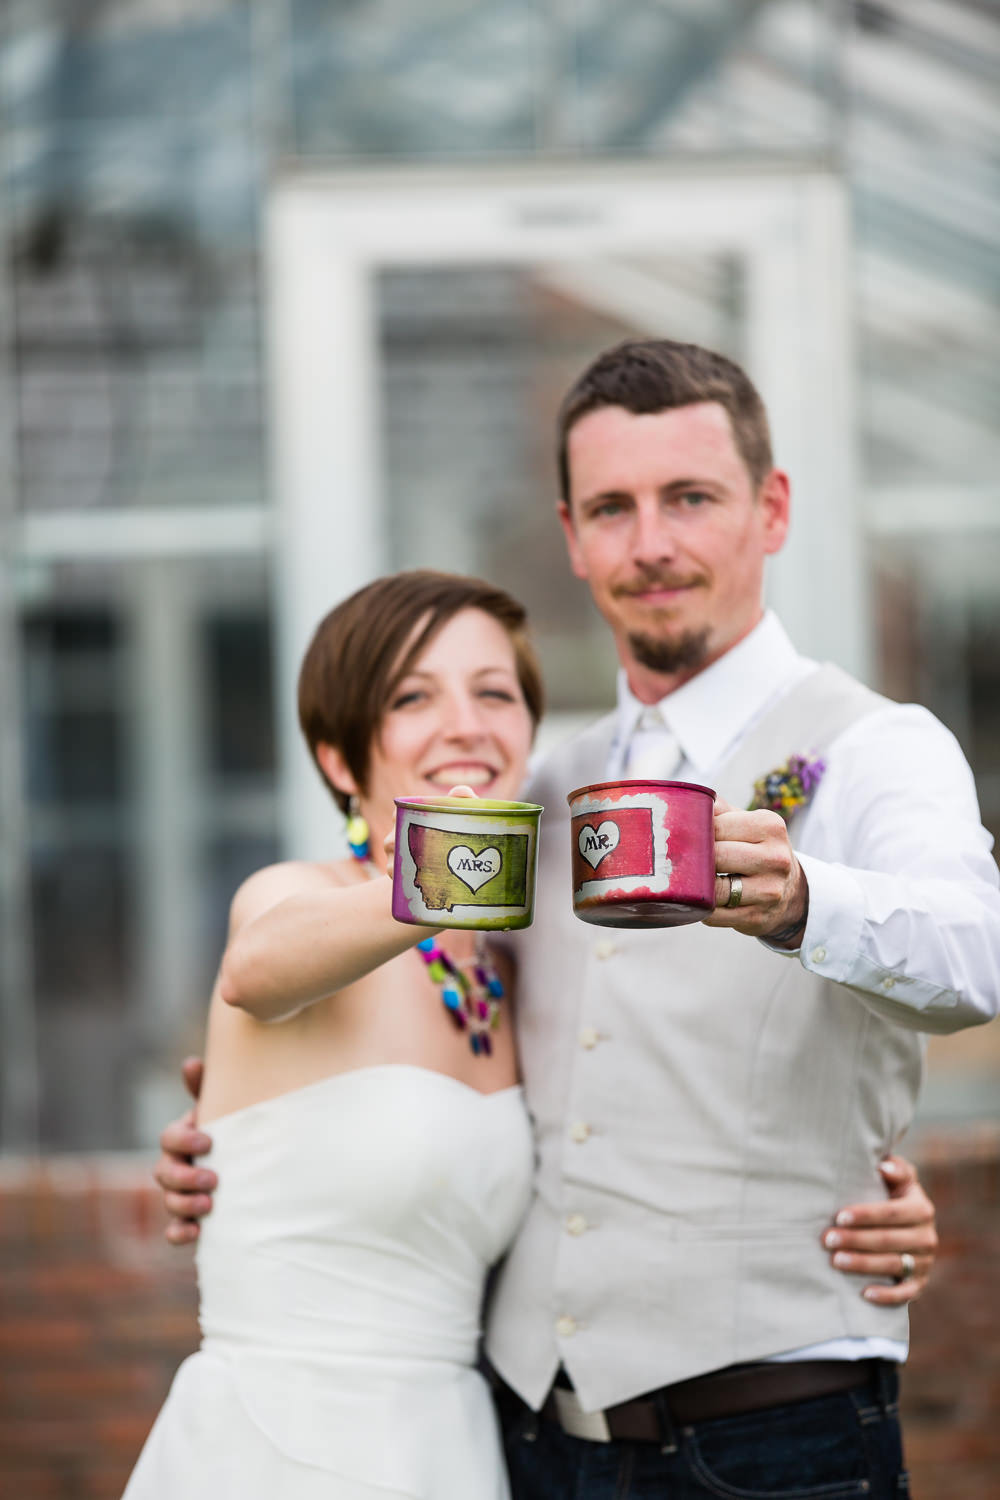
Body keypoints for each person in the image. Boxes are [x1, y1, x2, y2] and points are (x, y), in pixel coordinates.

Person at [156, 339, 989, 1498]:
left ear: (773, 508)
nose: (649, 544)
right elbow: (369, 1018)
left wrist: (804, 899)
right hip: (524, 1441)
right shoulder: (538, 792)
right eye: (612, 508)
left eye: (689, 498)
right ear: (572, 537)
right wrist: (244, 1139)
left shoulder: (874, 747)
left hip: (774, 1437)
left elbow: (974, 958)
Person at [124, 570, 546, 1498]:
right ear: (340, 759)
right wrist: (444, 881)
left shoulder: (501, 973)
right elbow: (256, 969)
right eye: (411, 697)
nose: (466, 725)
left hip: (452, 1451)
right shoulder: (298, 896)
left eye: (494, 693)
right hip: (284, 1450)